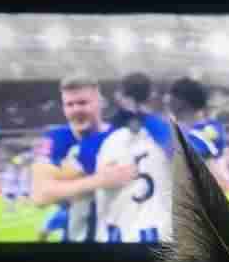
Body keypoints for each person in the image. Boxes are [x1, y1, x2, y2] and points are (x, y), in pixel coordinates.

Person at [31, 74, 137, 242]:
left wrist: (69, 185)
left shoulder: (121, 136)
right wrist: (99, 181)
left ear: (99, 102)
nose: (76, 110)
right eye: (69, 104)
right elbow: (40, 195)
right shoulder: (56, 138)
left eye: (82, 103)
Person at [89, 72, 174, 243]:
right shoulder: (163, 130)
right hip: (155, 232)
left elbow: (89, 166)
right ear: (149, 96)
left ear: (121, 96)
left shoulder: (106, 135)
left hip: (117, 233)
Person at [165, 77, 227, 162]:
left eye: (171, 97)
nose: (167, 102)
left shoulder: (210, 129)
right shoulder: (215, 127)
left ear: (181, 101)